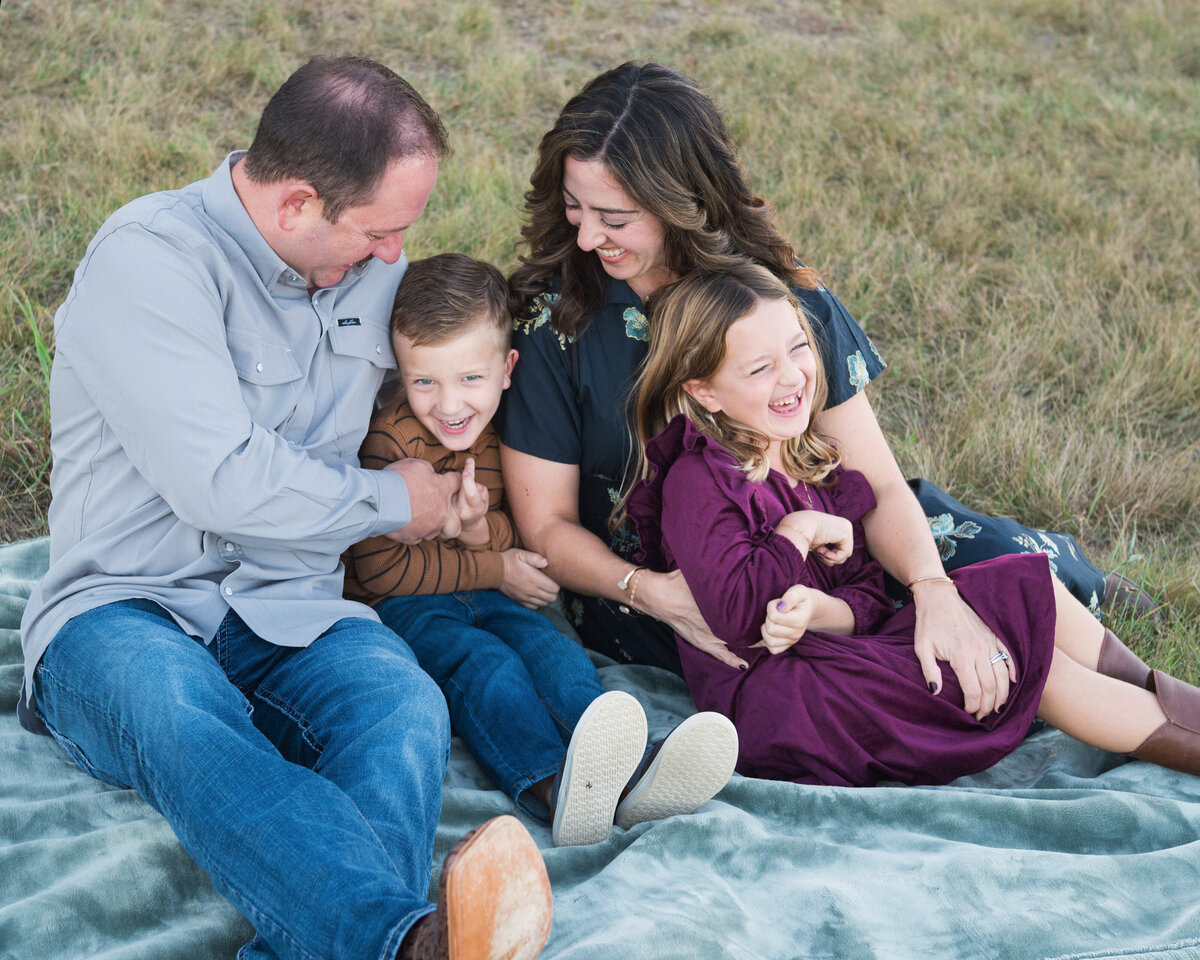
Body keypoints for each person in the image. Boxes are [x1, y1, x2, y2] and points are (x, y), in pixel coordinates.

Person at [18, 58, 551, 960]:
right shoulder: (149, 262)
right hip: (121, 608)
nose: (396, 257)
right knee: (177, 707)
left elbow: (456, 365)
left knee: (401, 706)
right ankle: (406, 942)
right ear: (297, 204)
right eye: (381, 233)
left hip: (289, 605)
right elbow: (219, 479)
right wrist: (393, 502)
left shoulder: (374, 272)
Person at [497, 60, 1133, 723]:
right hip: (685, 588)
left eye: (614, 218)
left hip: (829, 537)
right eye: (574, 207)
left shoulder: (779, 297)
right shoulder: (555, 324)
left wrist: (933, 590)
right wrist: (652, 592)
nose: (587, 235)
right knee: (947, 661)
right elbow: (547, 527)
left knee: (996, 579)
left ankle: (1123, 651)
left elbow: (876, 483)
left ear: (682, 201)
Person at [620, 264, 1199, 787]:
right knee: (1019, 660)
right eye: (759, 368)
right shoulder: (699, 481)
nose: (792, 377)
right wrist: (796, 532)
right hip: (784, 704)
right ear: (703, 390)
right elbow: (739, 616)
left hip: (836, 658)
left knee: (1028, 585)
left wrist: (820, 612)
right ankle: (1182, 737)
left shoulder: (806, 461)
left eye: (798, 348)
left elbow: (867, 599)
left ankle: (1161, 699)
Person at [342, 253, 738, 846]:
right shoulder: (391, 440)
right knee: (485, 666)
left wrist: (477, 533)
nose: (449, 405)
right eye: (425, 381)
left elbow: (510, 531)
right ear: (401, 372)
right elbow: (377, 569)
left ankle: (625, 773)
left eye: (470, 379)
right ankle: (552, 785)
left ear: (507, 369)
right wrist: (491, 564)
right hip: (407, 609)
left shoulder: (506, 430)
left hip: (482, 591)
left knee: (551, 651)